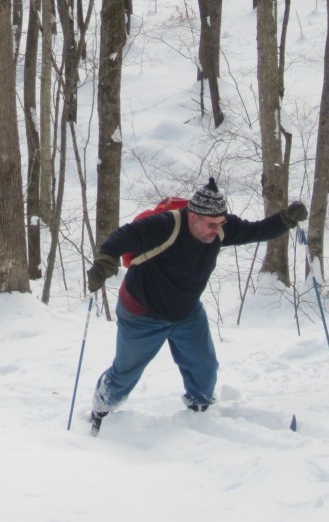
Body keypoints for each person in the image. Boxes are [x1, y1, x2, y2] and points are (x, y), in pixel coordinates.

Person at [85, 177, 307, 434]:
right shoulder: (165, 225)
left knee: (204, 367)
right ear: (193, 217)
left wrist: (286, 219)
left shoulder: (221, 228)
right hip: (142, 313)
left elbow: (255, 230)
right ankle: (101, 410)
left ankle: (199, 411)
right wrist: (105, 261)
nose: (217, 229)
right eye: (211, 224)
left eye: (221, 223)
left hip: (186, 312)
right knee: (124, 374)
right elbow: (124, 236)